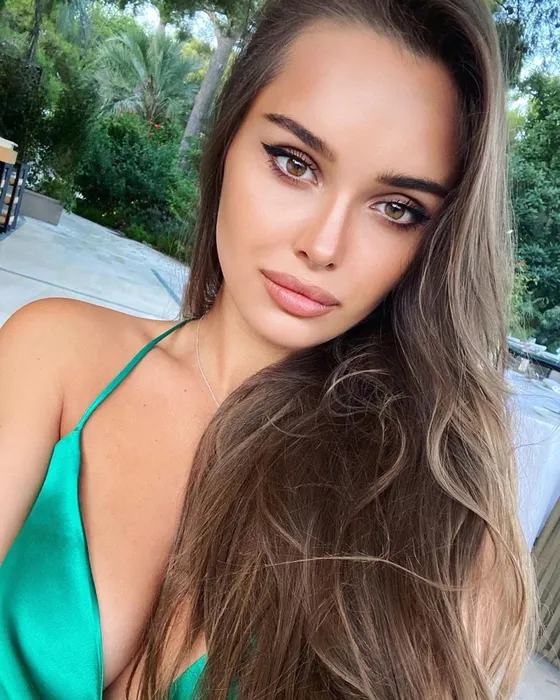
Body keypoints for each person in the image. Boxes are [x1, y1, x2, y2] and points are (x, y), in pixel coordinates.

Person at [0, 0, 540, 697]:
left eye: (396, 208)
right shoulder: (55, 354)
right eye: (294, 162)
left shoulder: (444, 527)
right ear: (229, 137)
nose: (323, 245)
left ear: (437, 244)